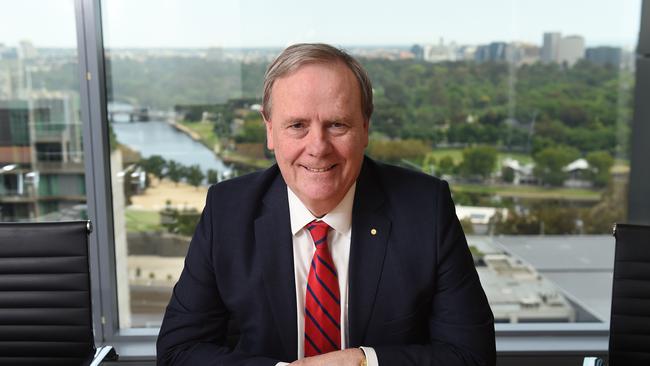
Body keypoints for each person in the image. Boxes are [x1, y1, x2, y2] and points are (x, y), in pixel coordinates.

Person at [157, 43, 496, 366]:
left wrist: (362, 360)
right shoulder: (227, 211)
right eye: (297, 125)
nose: (318, 147)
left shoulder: (426, 209)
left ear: (365, 126)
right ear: (270, 129)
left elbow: (473, 356)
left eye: (337, 124)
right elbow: (178, 352)